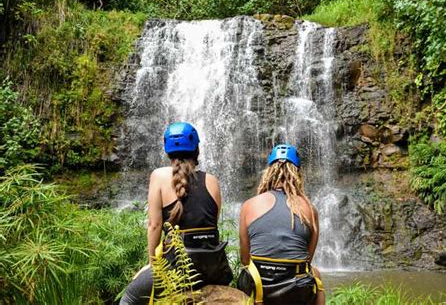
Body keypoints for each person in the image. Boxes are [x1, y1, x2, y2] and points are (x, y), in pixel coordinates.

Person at [120, 122, 232, 305]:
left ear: (167, 150)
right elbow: (211, 224)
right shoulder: (212, 180)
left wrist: (153, 265)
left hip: (176, 267)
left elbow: (154, 225)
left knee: (129, 299)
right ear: (197, 149)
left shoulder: (158, 176)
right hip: (213, 268)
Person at [238, 144, 325, 305]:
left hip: (260, 291)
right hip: (296, 291)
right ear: (297, 173)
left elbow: (244, 258)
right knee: (316, 275)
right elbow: (306, 260)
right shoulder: (309, 209)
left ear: (269, 172)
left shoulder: (249, 205)